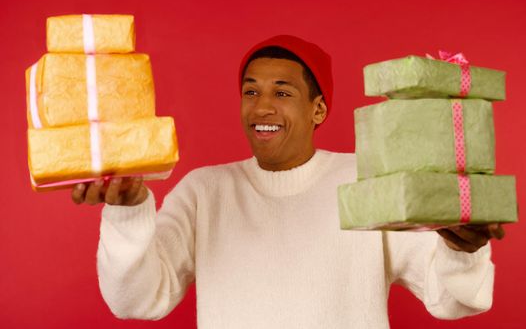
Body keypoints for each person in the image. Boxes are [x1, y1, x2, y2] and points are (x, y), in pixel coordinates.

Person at [71, 35, 505, 328]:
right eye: (250, 91)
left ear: (318, 110)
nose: (262, 107)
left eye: (282, 92)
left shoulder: (366, 181)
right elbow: (138, 300)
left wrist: (461, 251)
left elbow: (450, 300)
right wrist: (127, 214)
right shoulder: (204, 191)